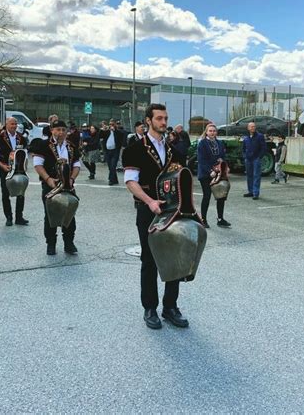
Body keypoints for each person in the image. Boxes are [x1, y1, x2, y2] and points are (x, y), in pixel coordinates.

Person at [123, 103, 188, 330]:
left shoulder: (175, 151)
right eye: (159, 118)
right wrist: (150, 201)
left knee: (174, 258)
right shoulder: (134, 149)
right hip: (147, 210)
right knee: (149, 260)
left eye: (166, 118)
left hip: (172, 213)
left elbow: (182, 183)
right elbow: (131, 181)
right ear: (148, 121)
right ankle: (149, 308)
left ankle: (170, 307)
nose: (164, 122)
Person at [33, 120, 81, 256]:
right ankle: (51, 244)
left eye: (63, 130)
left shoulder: (71, 146)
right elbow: (37, 165)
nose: (61, 132)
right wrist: (48, 179)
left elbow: (77, 165)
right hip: (50, 185)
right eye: (58, 129)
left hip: (68, 186)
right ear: (52, 130)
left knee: (70, 214)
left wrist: (71, 179)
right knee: (50, 215)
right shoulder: (43, 145)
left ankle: (69, 243)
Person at [0, 117, 29, 227]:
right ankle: (8, 217)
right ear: (6, 125)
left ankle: (19, 217)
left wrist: (25, 166)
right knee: (5, 194)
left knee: (21, 193)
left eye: (15, 124)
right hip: (5, 169)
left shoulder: (21, 138)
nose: (14, 126)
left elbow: (25, 153)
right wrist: (2, 166)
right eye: (12, 124)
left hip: (19, 170)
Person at [197, 123, 231, 228]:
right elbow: (201, 160)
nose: (212, 133)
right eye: (210, 131)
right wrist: (209, 171)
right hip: (205, 174)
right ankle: (203, 219)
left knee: (221, 196)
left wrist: (225, 165)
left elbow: (222, 157)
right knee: (207, 196)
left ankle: (220, 219)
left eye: (214, 131)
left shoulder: (219, 143)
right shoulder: (202, 143)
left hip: (218, 173)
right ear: (206, 132)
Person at [242, 122, 266, 199]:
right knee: (249, 176)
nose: (253, 128)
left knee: (256, 176)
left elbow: (263, 148)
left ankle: (256, 193)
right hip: (248, 160)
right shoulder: (246, 138)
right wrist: (245, 156)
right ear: (248, 128)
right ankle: (251, 191)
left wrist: (259, 157)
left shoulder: (260, 136)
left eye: (254, 126)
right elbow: (243, 148)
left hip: (256, 159)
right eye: (251, 127)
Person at [99, 119, 123, 185]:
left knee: (113, 166)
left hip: (115, 151)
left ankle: (111, 180)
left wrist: (114, 131)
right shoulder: (106, 132)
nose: (111, 126)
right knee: (110, 166)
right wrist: (102, 130)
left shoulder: (118, 132)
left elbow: (121, 137)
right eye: (110, 124)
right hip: (107, 151)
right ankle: (115, 180)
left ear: (115, 125)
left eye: (112, 124)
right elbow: (100, 136)